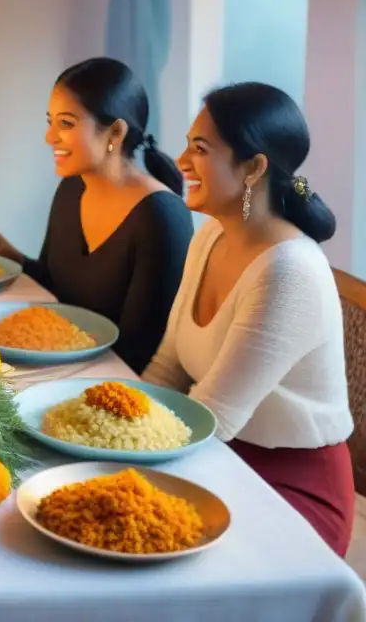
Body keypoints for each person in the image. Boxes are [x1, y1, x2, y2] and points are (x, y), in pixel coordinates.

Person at [143, 82, 354, 556]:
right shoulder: (210, 237)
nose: (180, 161)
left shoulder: (289, 271)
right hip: (217, 459)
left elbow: (214, 419)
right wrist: (110, 422)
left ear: (255, 167)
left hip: (290, 489)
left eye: (200, 148)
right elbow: (167, 367)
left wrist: (121, 462)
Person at [0, 57, 193, 373]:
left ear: (115, 133)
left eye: (66, 123)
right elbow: (59, 287)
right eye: (49, 121)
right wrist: (7, 252)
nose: (49, 137)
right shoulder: (71, 189)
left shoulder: (162, 218)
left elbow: (140, 352)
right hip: (59, 366)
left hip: (111, 386)